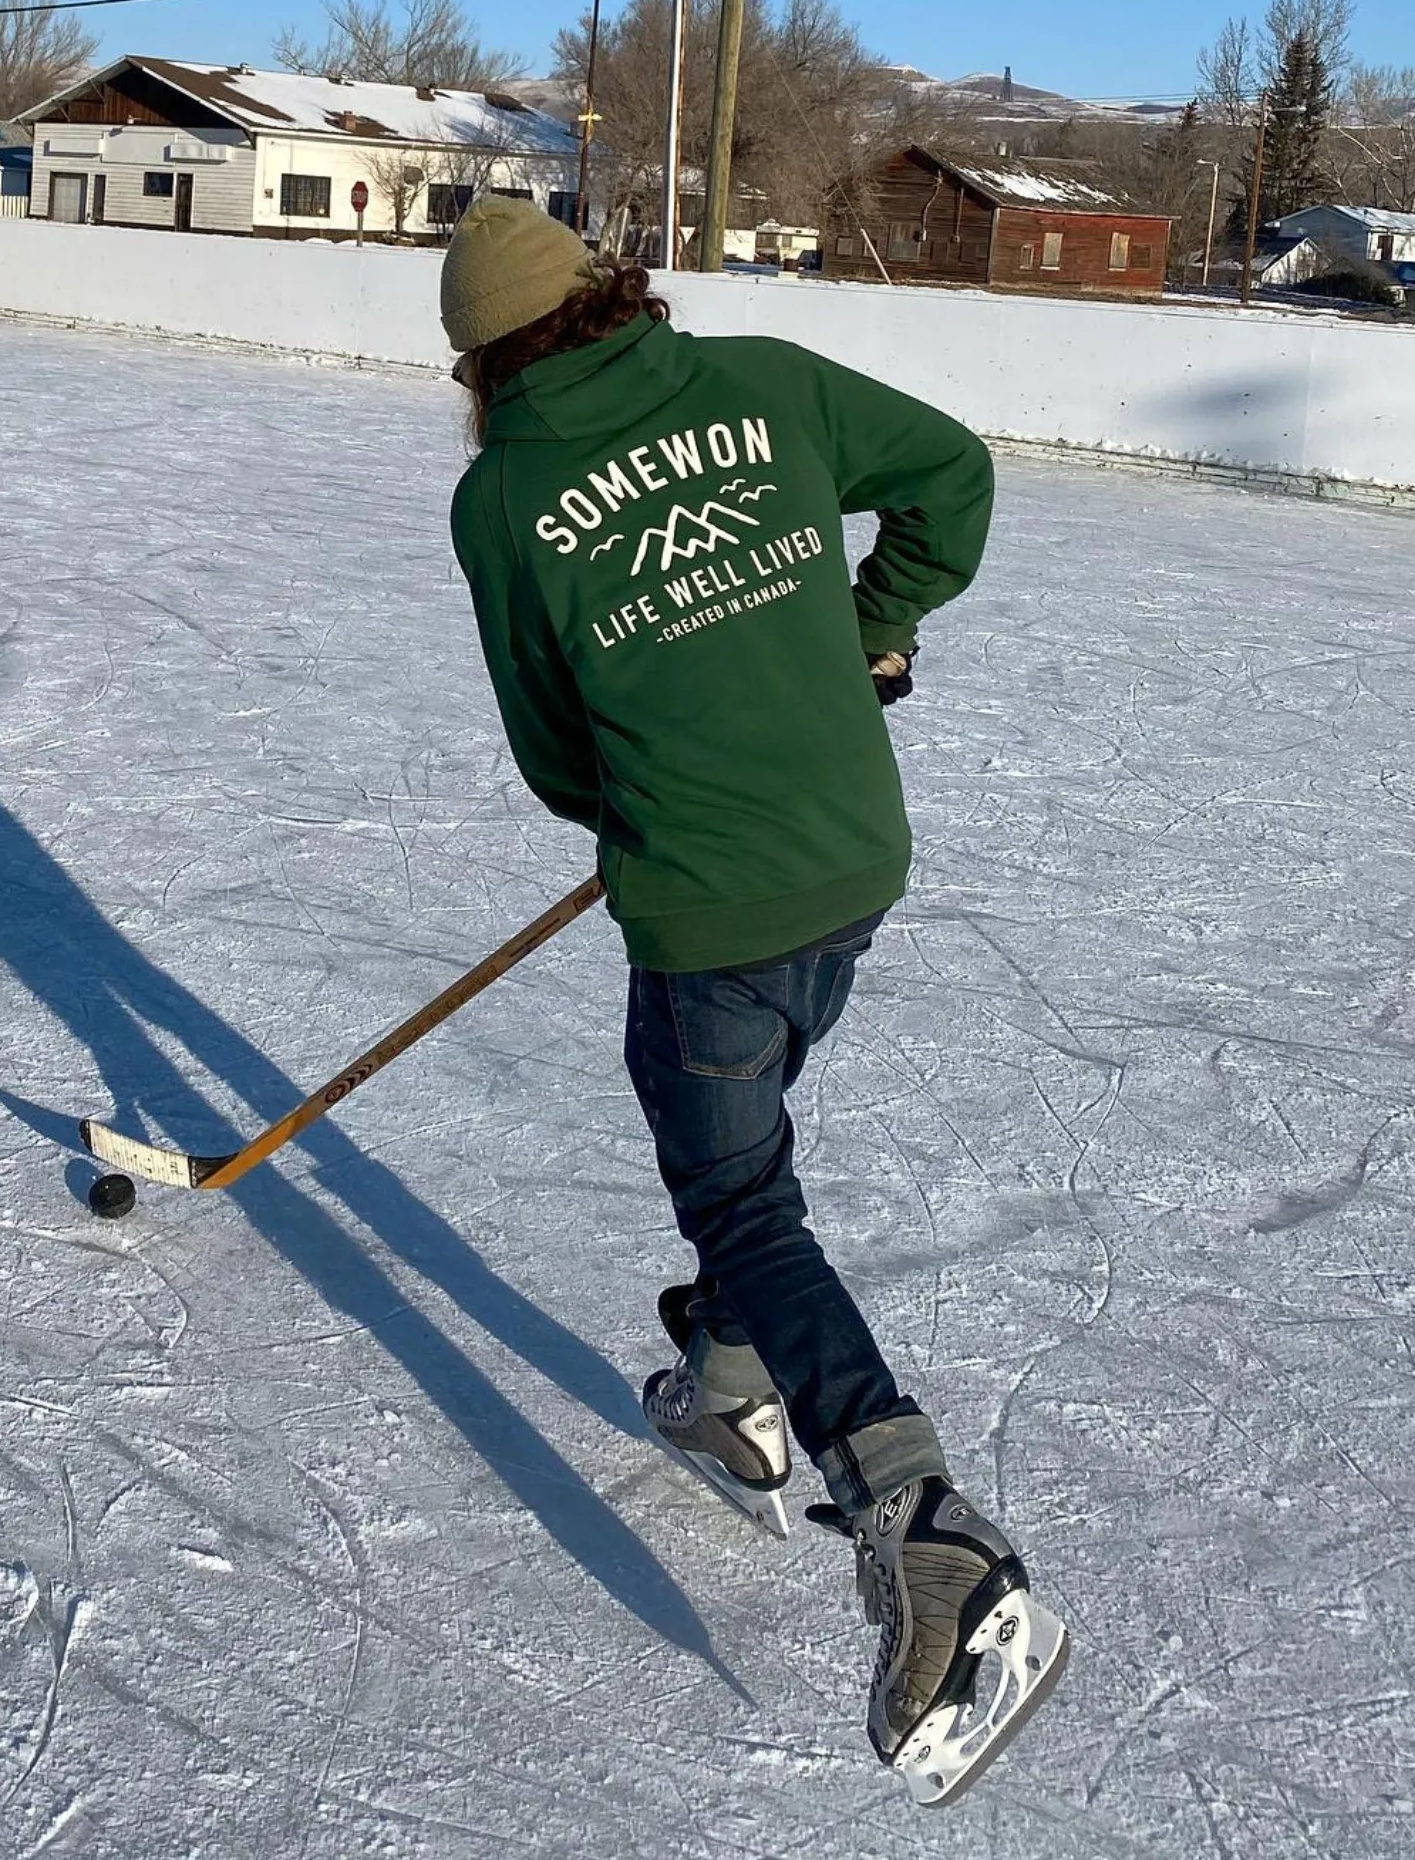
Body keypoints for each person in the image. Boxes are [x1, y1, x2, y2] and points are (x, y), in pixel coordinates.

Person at [441, 198, 1067, 1807]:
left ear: (483, 360)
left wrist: (648, 803)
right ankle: (730, 1391)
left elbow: (548, 743)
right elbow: (952, 476)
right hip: (852, 856)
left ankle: (923, 1527)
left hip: (711, 902)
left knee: (736, 1193)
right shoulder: (770, 381)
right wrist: (866, 636)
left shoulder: (508, 494)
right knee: (750, 1156)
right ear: (606, 296)